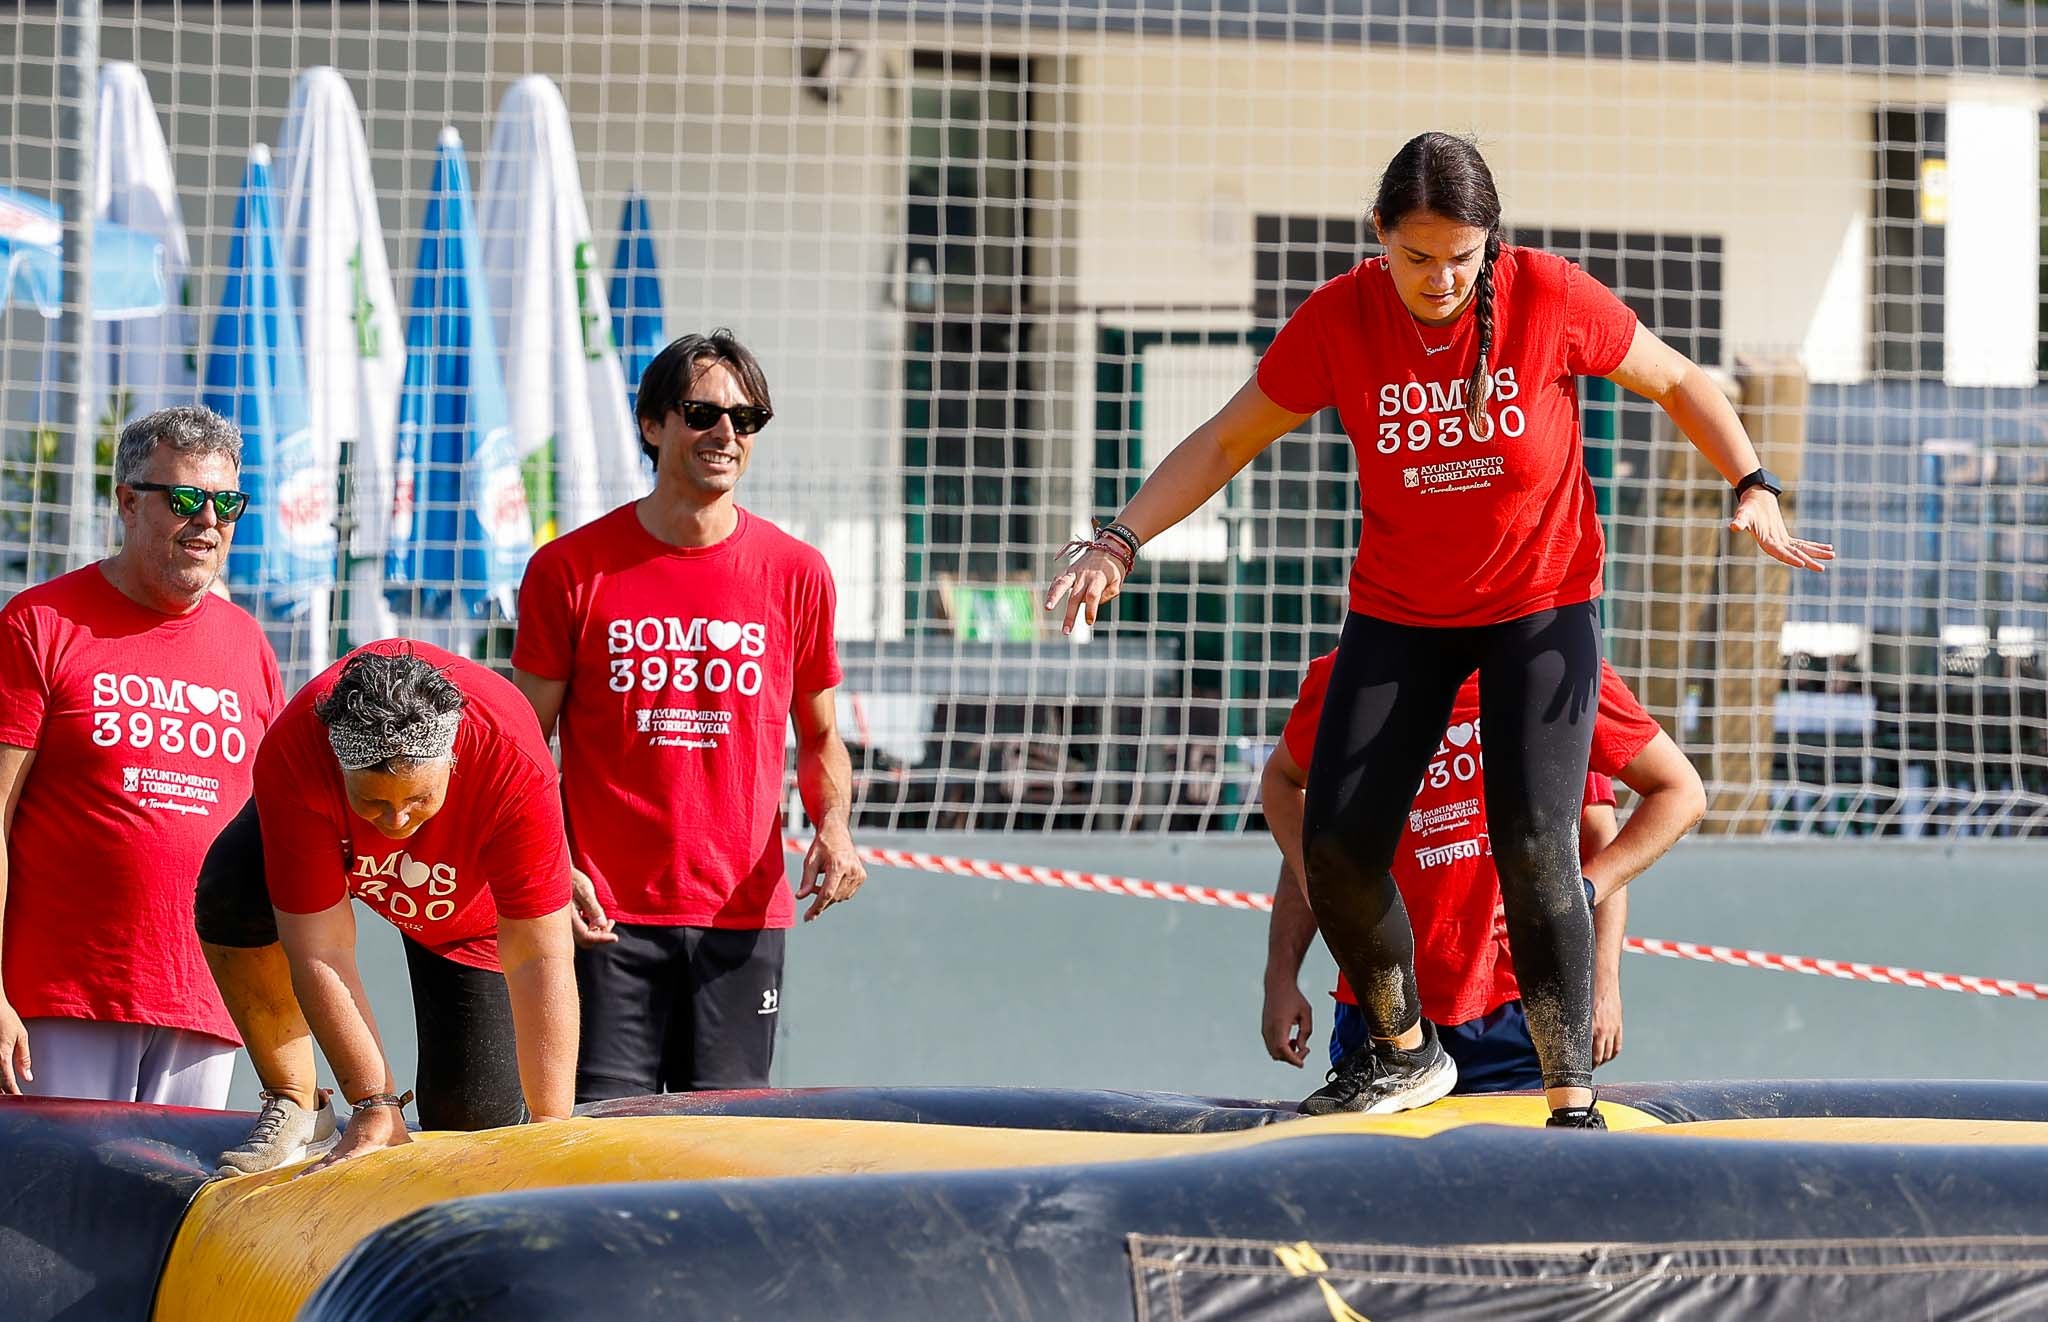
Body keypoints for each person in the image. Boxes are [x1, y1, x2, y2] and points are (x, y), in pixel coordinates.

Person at [1046, 131, 1830, 1126]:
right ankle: (1403, 1050)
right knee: (1335, 840)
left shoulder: (1548, 296)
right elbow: (1224, 437)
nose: (1439, 280)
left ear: (1490, 244)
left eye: (1461, 258)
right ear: (1378, 239)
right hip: (1402, 610)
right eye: (1415, 258)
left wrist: (1751, 483)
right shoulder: (1340, 317)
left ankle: (1568, 1104)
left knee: (1534, 840)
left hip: (1537, 605)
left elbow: (1679, 380)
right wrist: (1117, 539)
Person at [512, 330, 865, 1102]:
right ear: (651, 425)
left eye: (747, 420)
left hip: (741, 919)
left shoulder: (796, 573)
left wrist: (833, 827)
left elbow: (822, 738)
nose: (726, 435)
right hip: (601, 915)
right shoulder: (569, 570)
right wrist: (551, 867)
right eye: (702, 413)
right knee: (600, 1150)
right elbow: (520, 747)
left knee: (725, 1153)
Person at [197, 641, 577, 1174]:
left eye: (418, 798)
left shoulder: (512, 757)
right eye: (373, 801)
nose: (397, 821)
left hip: (463, 919)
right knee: (232, 886)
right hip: (333, 855)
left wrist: (551, 1126)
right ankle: (297, 1101)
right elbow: (322, 948)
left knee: (469, 1119)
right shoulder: (296, 751)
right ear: (338, 766)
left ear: (453, 759)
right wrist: (373, 1104)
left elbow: (540, 955)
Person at [0, 406, 282, 1106]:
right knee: (49, 1215)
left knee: (169, 1213)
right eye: (185, 499)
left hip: (206, 1006)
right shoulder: (40, 623)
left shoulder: (249, 645)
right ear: (127, 501)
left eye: (227, 503)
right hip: (59, 1004)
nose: (208, 521)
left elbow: (275, 837)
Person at [1261, 652, 1706, 1095]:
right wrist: (1281, 977)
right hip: (1382, 1014)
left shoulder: (1558, 668)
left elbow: (1610, 834)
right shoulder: (1353, 673)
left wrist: (1601, 978)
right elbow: (1318, 843)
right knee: (1382, 1167)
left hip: (1521, 1009)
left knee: (1524, 1162)